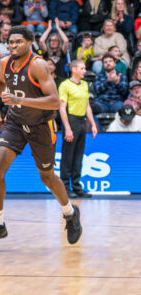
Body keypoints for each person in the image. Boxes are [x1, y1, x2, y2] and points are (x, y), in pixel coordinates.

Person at [0, 25, 82, 248]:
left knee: (47, 177)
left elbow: (54, 101)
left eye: (18, 42)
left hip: (41, 126)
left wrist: (20, 100)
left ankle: (70, 213)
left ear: (29, 42)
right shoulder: (5, 62)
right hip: (15, 122)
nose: (13, 45)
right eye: (10, 42)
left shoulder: (38, 65)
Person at [58, 60, 97, 199]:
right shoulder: (65, 85)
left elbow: (87, 106)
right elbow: (62, 108)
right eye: (82, 68)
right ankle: (64, 187)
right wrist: (67, 128)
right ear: (73, 69)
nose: (84, 71)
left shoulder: (85, 84)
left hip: (82, 121)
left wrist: (92, 124)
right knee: (68, 156)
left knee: (78, 156)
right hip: (71, 120)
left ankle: (76, 186)